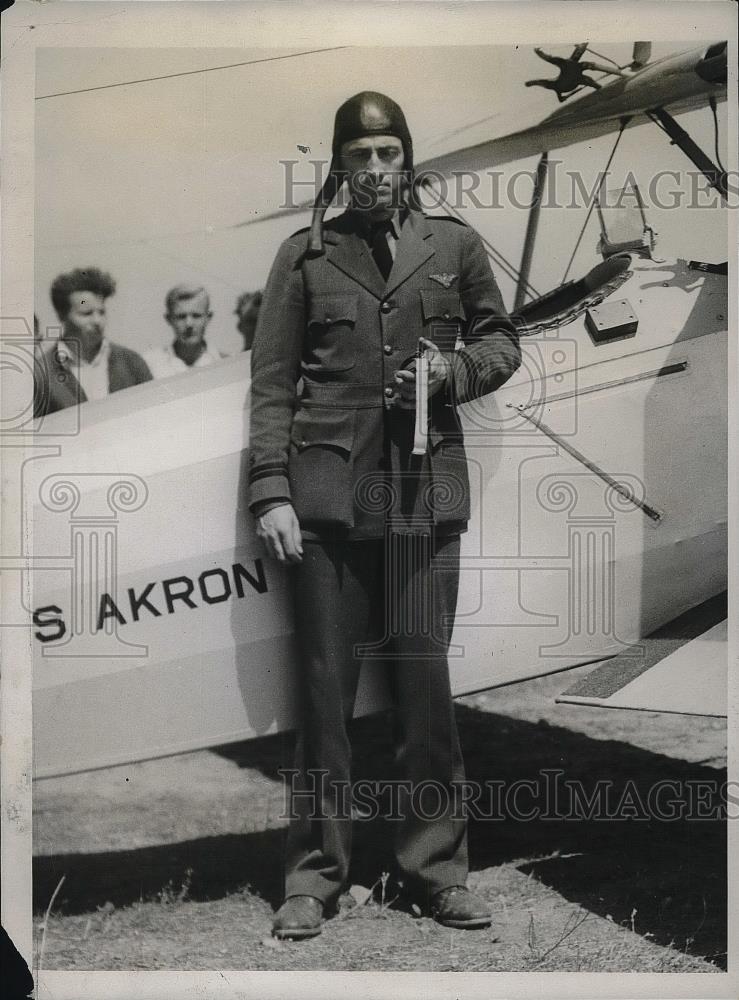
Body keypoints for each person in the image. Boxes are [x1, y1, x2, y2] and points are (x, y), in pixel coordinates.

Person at [248, 91, 521, 940]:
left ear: (407, 160)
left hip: (423, 501)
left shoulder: (456, 245)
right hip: (326, 504)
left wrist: (453, 376)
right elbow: (269, 385)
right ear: (339, 165)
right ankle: (313, 879)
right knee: (323, 702)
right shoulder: (304, 256)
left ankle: (434, 871)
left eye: (388, 154)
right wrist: (271, 491)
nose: (373, 170)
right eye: (359, 156)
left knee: (425, 697)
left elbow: (501, 343)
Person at [34, 267, 152, 417]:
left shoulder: (132, 362)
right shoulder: (40, 374)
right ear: (61, 315)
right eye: (86, 313)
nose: (97, 321)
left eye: (101, 312)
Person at [145, 284, 221, 378]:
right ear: (169, 319)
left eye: (196, 316)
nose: (189, 324)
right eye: (181, 317)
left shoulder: (224, 362)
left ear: (208, 318)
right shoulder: (150, 365)